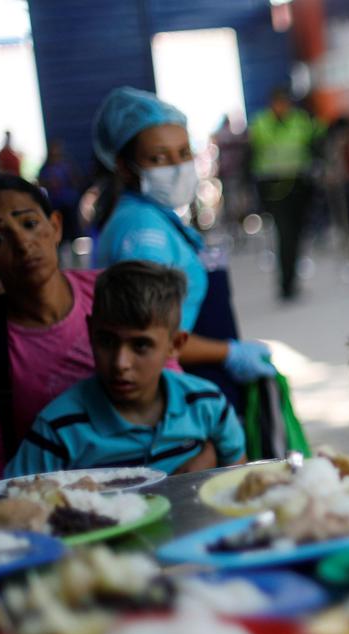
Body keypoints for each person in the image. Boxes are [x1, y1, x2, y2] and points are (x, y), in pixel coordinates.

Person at [92, 86, 274, 413]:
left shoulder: (152, 216)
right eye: (159, 158)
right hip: (175, 392)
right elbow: (148, 336)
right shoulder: (144, 233)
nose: (177, 167)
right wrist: (228, 353)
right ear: (124, 165)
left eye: (183, 153)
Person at [5, 261, 245, 477]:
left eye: (140, 345)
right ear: (90, 331)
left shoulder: (208, 405)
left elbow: (238, 484)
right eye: (107, 341)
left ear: (175, 345)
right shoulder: (58, 430)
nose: (120, 363)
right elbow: (12, 506)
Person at [0, 175, 100, 486]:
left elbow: (168, 389)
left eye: (29, 224)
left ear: (55, 226)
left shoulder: (107, 293)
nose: (22, 243)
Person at [248, 89, 326, 300]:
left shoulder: (301, 120)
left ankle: (292, 279)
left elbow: (318, 142)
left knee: (298, 234)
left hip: (300, 187)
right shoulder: (260, 124)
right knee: (285, 234)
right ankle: (286, 284)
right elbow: (250, 156)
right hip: (273, 189)